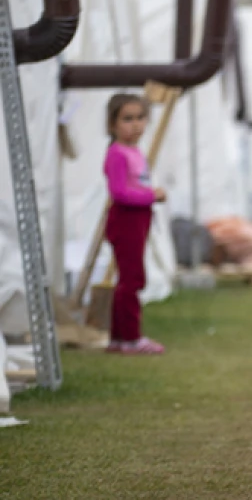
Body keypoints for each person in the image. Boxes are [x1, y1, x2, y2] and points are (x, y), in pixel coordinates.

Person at [102, 93, 167, 355]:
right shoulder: (117, 154)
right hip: (126, 219)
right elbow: (119, 192)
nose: (136, 125)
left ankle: (119, 338)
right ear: (113, 124)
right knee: (131, 279)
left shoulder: (135, 152)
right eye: (128, 119)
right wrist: (152, 195)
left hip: (138, 220)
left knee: (130, 277)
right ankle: (130, 337)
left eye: (141, 118)